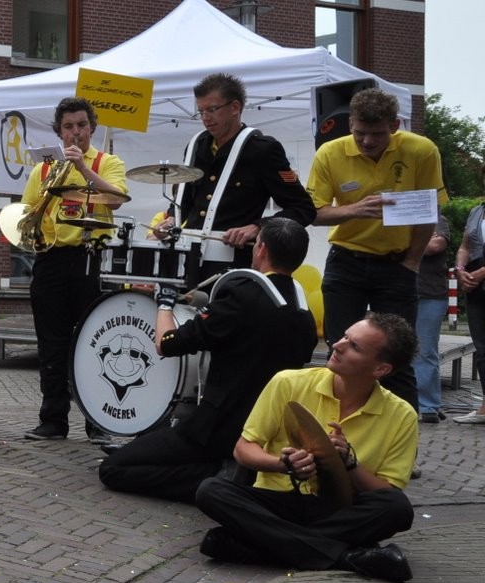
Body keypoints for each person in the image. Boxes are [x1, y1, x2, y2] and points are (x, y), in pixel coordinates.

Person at [98, 216, 320, 502]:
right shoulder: (303, 312)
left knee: (113, 469)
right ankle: (227, 470)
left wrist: (165, 304)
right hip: (265, 433)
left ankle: (218, 478)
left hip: (216, 430)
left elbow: (167, 344)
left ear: (262, 249)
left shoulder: (241, 297)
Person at [194, 313, 420, 583]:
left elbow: (388, 492)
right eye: (345, 336)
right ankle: (347, 556)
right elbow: (243, 450)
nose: (338, 345)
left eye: (354, 346)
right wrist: (282, 464)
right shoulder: (288, 382)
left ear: (381, 369)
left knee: (397, 508)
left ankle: (262, 544)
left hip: (339, 509)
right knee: (211, 490)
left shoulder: (402, 415)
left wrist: (350, 464)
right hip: (279, 501)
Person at [307, 88, 445, 409]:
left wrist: (412, 262)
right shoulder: (330, 152)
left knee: (397, 357)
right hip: (346, 262)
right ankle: (335, 427)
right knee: (339, 351)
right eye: (360, 133)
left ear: (395, 125)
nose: (367, 141)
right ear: (350, 124)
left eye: (377, 134)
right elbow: (313, 213)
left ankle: (401, 434)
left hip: (397, 265)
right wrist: (355, 210)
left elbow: (428, 212)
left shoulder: (421, 150)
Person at [20, 98, 128, 440]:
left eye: (82, 125)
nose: (76, 132)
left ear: (92, 127)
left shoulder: (108, 162)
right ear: (59, 132)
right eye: (68, 127)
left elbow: (116, 199)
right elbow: (27, 213)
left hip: (91, 258)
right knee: (51, 343)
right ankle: (53, 420)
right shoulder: (43, 169)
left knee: (96, 342)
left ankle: (98, 423)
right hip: (51, 259)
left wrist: (82, 168)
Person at [157, 73, 315, 279]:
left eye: (212, 109)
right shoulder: (197, 146)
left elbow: (303, 209)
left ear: (234, 107)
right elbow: (185, 201)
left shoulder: (262, 149)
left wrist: (258, 227)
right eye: (201, 111)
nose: (205, 118)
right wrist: (171, 219)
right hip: (188, 259)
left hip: (232, 266)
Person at [454, 176, 485, 424]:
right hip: (476, 285)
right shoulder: (476, 211)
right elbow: (465, 246)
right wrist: (460, 269)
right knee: (482, 347)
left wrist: (481, 273)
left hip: (479, 276)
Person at [413, 224, 452, 424]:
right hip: (397, 291)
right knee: (392, 349)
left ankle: (428, 406)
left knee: (425, 350)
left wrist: (401, 241)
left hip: (430, 295)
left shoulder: (438, 219)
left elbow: (434, 246)